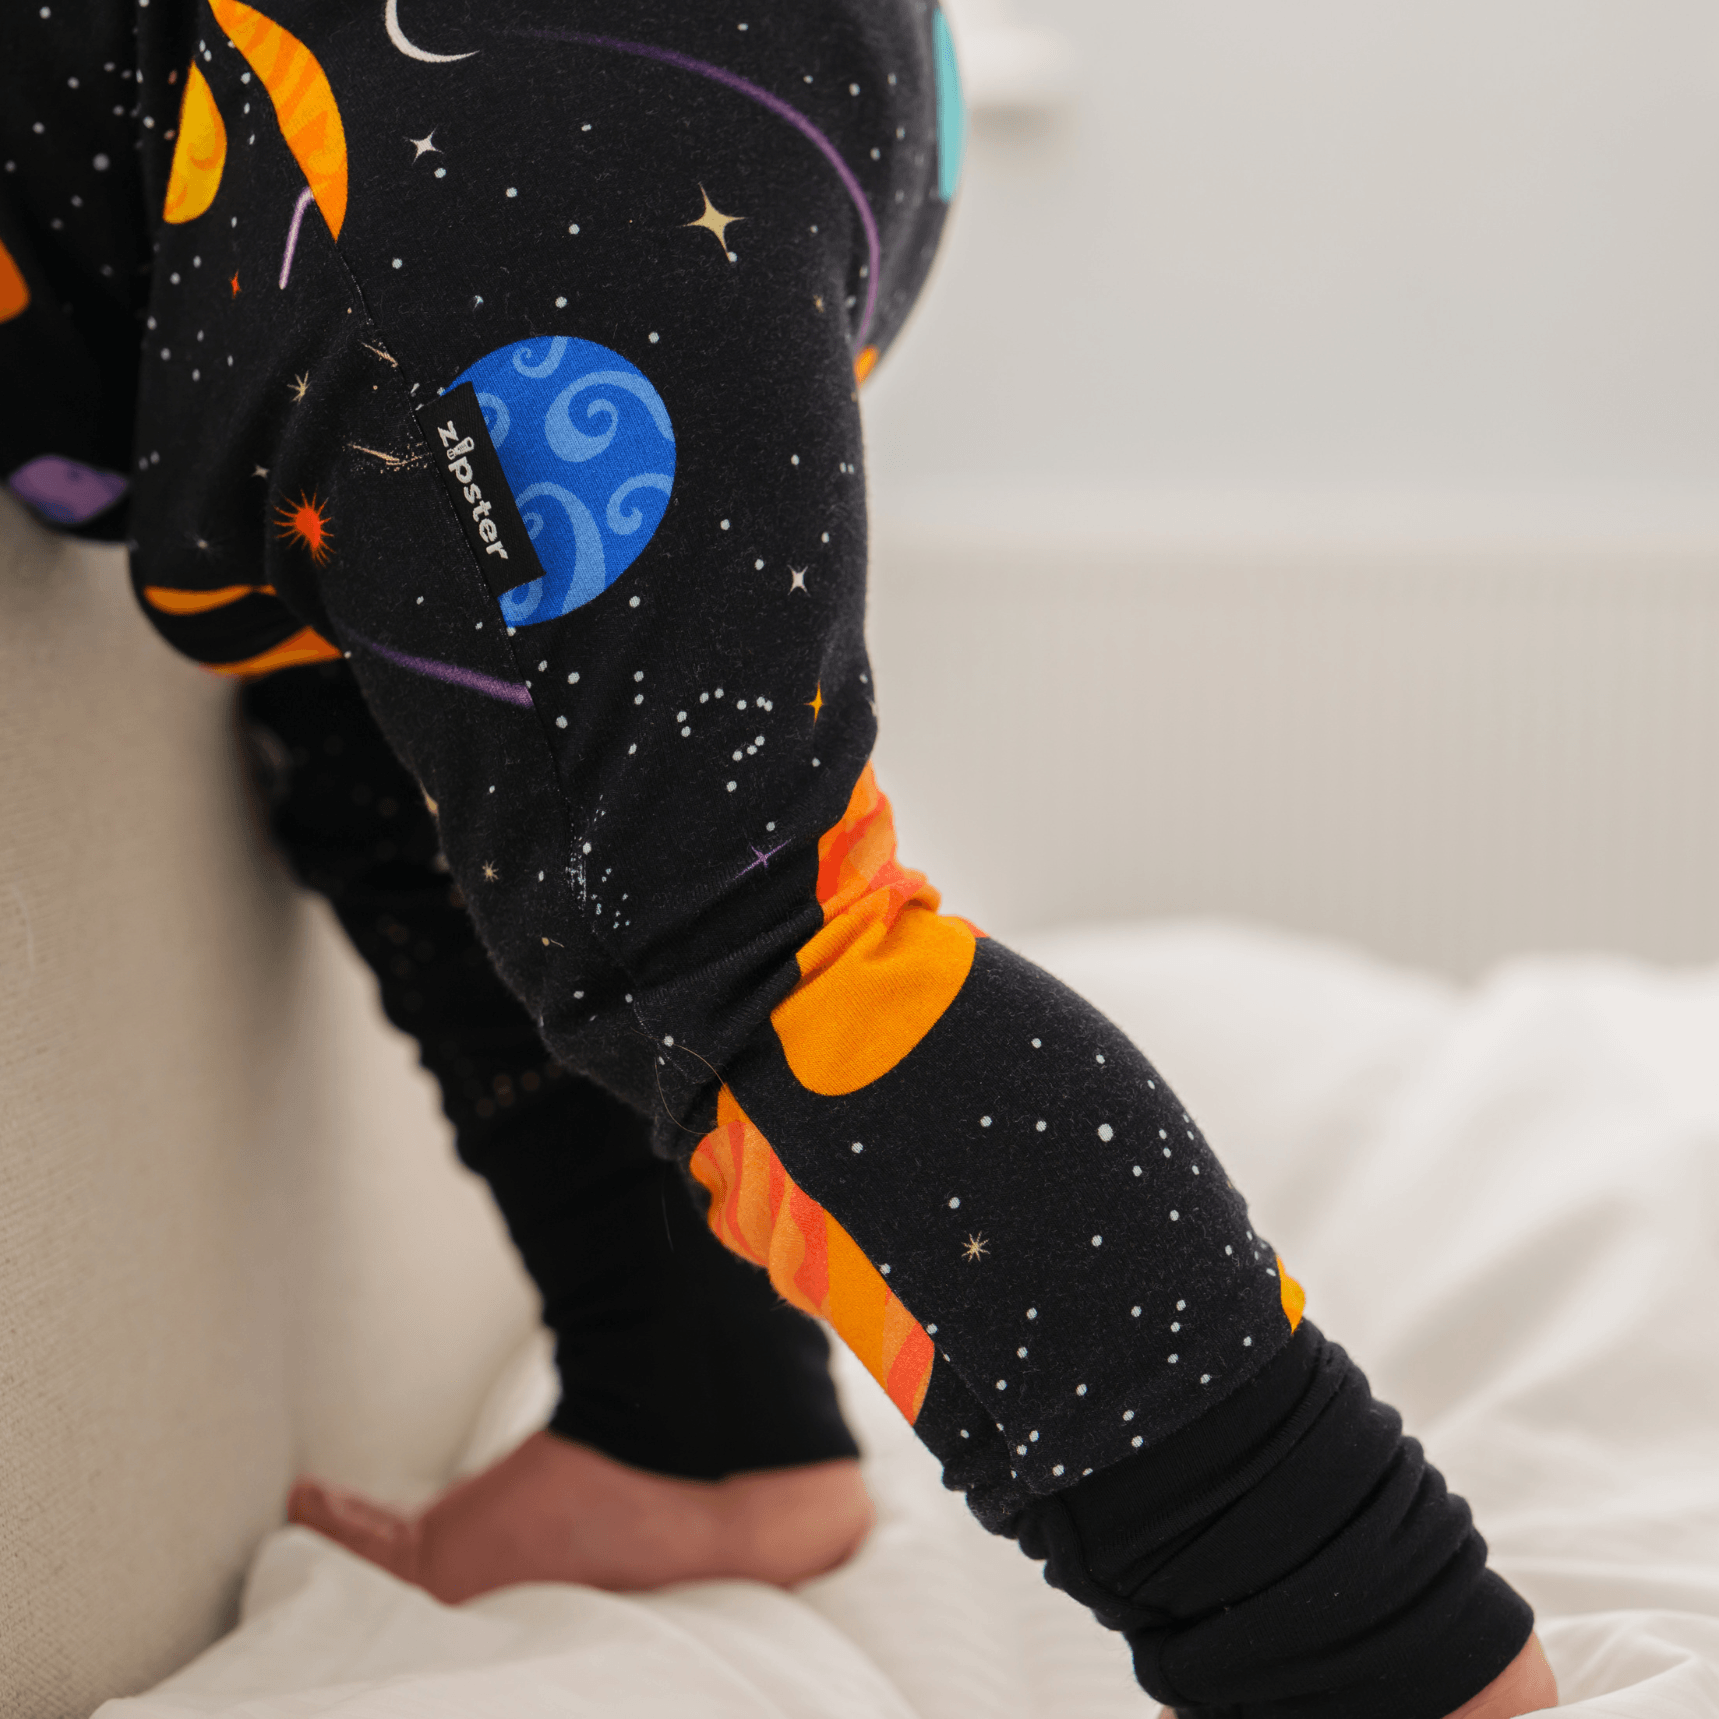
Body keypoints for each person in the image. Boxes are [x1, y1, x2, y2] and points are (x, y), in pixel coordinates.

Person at [1, 3, 1557, 1713]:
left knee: (756, 942)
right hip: (648, 105)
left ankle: (1371, 1652)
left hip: (480, 110)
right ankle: (694, 1413)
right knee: (431, 755)